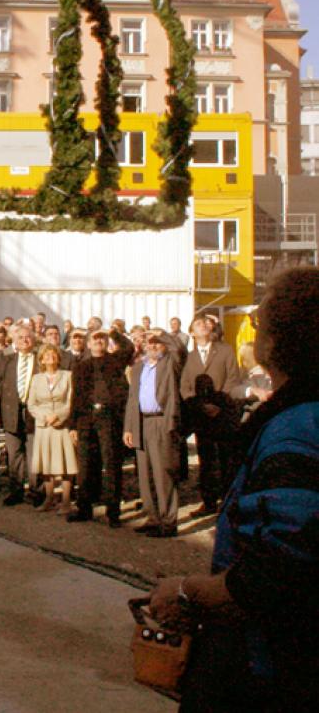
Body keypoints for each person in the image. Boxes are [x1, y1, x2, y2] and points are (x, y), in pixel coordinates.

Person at [150, 267, 319, 712]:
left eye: (259, 322)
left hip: (272, 670)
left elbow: (278, 572)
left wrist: (186, 591)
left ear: (279, 342)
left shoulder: (297, 429)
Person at [68, 328, 131, 527]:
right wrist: (73, 425)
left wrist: (113, 332)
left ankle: (113, 512)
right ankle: (84, 508)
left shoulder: (115, 361)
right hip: (86, 419)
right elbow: (76, 396)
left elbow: (129, 347)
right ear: (88, 344)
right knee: (86, 465)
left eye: (101, 340)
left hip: (109, 418)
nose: (98, 342)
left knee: (111, 465)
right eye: (94, 340)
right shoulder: (81, 367)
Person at [180, 314, 240, 516]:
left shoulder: (225, 350)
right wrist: (201, 406)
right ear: (192, 332)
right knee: (206, 461)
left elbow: (233, 379)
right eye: (198, 323)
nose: (204, 325)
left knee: (226, 460)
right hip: (202, 418)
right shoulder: (190, 357)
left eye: (207, 322)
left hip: (223, 415)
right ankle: (208, 501)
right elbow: (186, 388)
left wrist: (218, 404)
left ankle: (228, 501)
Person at [124, 333, 182, 537]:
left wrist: (161, 335)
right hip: (141, 421)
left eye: (157, 342)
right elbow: (132, 398)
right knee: (145, 474)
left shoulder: (169, 363)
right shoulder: (139, 367)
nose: (153, 345)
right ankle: (152, 517)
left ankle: (168, 521)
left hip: (161, 421)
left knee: (162, 473)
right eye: (150, 342)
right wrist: (128, 428)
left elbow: (177, 348)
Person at [0, 324, 40, 506]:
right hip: (11, 413)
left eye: (28, 337)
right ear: (15, 342)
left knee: (35, 456)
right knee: (14, 455)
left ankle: (36, 492)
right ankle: (16, 491)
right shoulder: (7, 361)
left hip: (34, 415)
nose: (24, 340)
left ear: (33, 340)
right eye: (20, 338)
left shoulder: (41, 360)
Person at [28, 344, 76, 514]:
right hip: (44, 426)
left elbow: (71, 401)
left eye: (53, 354)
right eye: (47, 355)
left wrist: (59, 416)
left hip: (61, 425)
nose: (51, 357)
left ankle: (66, 501)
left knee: (65, 464)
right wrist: (44, 417)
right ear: (41, 359)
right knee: (46, 463)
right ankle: (49, 499)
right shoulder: (36, 379)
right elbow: (31, 404)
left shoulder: (68, 376)